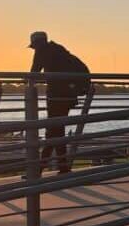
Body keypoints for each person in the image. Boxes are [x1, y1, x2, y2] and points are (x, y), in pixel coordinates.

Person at [29, 31, 89, 174]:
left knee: (53, 130)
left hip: (57, 96)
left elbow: (34, 73)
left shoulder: (41, 52)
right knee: (57, 129)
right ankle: (61, 166)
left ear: (36, 44)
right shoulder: (59, 50)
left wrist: (26, 81)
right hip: (68, 96)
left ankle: (40, 169)